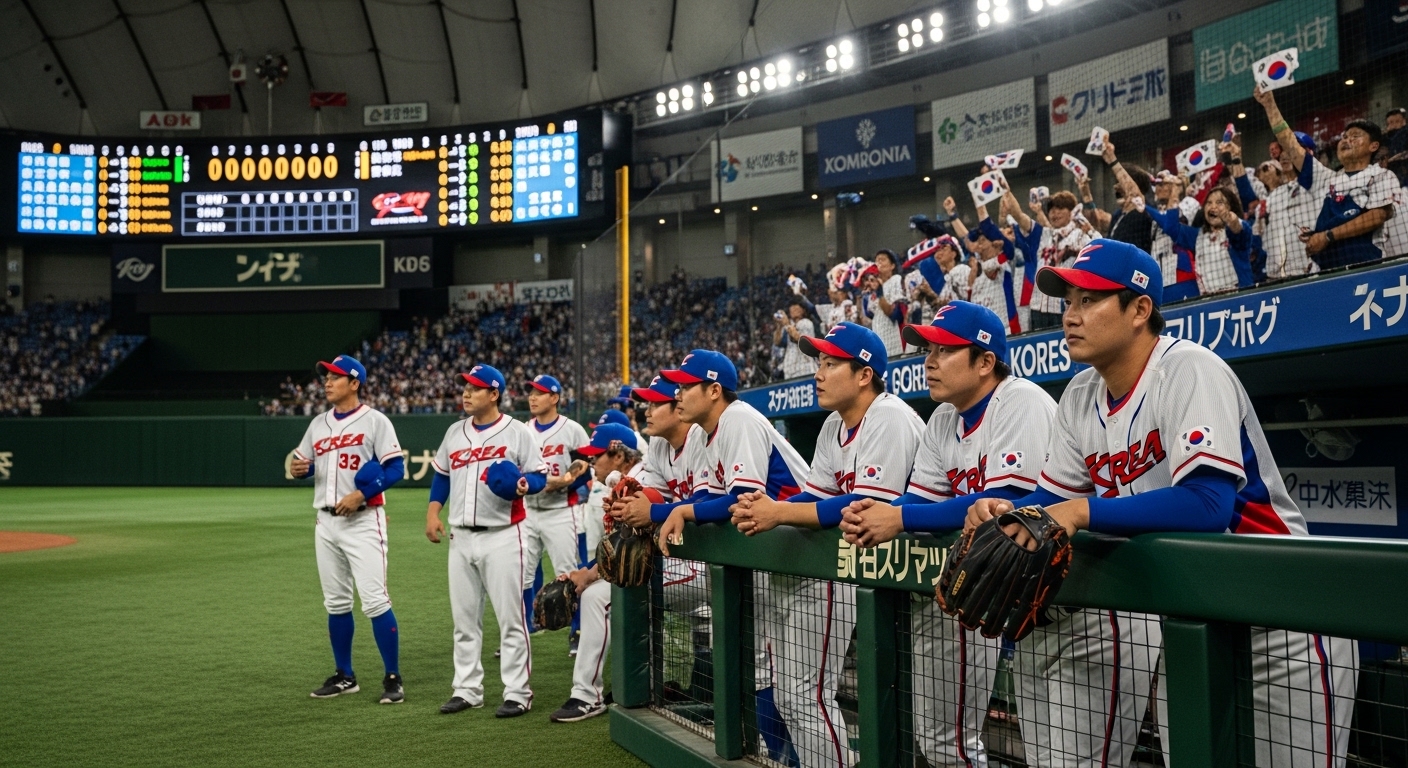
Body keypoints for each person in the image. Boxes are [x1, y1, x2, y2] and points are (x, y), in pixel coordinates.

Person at [970, 238, 1359, 767]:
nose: (1071, 315)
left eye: (1090, 299)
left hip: (1280, 620)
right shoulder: (1080, 396)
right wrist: (1005, 509)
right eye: (1069, 301)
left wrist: (1082, 512)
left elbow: (1208, 505)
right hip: (1189, 621)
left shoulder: (1189, 369)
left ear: (1139, 309)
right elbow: (1054, 499)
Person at [838, 301, 1056, 766]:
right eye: (926, 350)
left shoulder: (1020, 401)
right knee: (951, 744)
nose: (929, 361)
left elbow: (1008, 501)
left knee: (953, 745)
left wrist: (897, 520)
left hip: (1074, 597)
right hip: (1005, 595)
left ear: (984, 361)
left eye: (944, 350)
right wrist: (879, 511)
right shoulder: (943, 419)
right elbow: (921, 498)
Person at [729, 322, 924, 768]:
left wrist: (778, 512)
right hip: (884, 583)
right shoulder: (834, 424)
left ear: (863, 374)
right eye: (818, 361)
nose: (818, 372)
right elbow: (816, 496)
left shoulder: (888, 415)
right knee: (796, 695)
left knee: (811, 696)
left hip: (917, 585)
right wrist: (769, 504)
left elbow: (863, 504)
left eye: (831, 362)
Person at [654, 349, 810, 766]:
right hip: (773, 555)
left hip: (806, 555)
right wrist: (678, 509)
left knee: (797, 683)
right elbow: (708, 498)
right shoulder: (707, 433)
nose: (677, 393)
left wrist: (682, 510)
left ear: (715, 390)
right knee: (767, 669)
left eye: (686, 386)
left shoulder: (738, 418)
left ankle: (799, 757)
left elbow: (743, 499)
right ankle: (779, 756)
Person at [425, 363, 548, 718]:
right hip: (460, 537)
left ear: (494, 394)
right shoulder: (454, 433)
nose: (466, 393)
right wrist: (433, 512)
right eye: (464, 386)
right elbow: (442, 477)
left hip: (504, 536)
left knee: (511, 619)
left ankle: (518, 692)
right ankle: (467, 689)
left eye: (475, 388)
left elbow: (539, 475)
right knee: (464, 621)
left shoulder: (517, 432)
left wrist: (524, 485)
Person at [292, 355, 408, 705]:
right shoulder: (318, 424)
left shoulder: (375, 421)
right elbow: (302, 461)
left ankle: (393, 678)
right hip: (325, 522)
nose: (327, 381)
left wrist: (363, 494)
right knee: (336, 602)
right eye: (325, 377)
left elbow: (396, 469)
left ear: (355, 383)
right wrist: (301, 468)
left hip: (363, 521)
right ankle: (345, 675)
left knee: (374, 601)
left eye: (336, 377)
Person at [548, 422, 664, 723]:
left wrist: (588, 577)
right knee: (604, 592)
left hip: (681, 569)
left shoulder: (638, 483)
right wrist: (583, 572)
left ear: (618, 456)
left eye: (595, 456)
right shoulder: (626, 479)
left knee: (597, 598)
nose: (589, 463)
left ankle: (587, 696)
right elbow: (623, 552)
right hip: (658, 565)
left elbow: (631, 555)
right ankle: (640, 684)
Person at [1256, 83, 1398, 269]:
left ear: (1373, 146)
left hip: (1366, 267)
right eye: (1345, 136)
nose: (1347, 140)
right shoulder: (1326, 178)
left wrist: (1328, 235)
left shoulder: (1381, 175)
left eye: (1355, 136)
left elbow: (1377, 216)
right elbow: (1289, 143)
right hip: (1327, 273)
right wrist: (1269, 105)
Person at [519, 373, 591, 652]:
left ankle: (577, 630)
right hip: (528, 512)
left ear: (555, 398)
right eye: (531, 392)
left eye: (539, 392)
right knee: (522, 574)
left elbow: (584, 465)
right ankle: (525, 627)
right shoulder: (523, 429)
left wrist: (565, 479)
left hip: (561, 511)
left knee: (568, 573)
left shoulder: (571, 429)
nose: (532, 397)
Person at [1007, 186, 1089, 331]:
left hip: (1064, 308)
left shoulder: (1081, 236)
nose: (1054, 213)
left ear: (1072, 212)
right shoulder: (1043, 234)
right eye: (1051, 209)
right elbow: (1018, 216)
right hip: (1037, 307)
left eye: (1060, 208)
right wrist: (1006, 189)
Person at [775, 298, 819, 380]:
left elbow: (798, 339)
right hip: (790, 370)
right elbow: (777, 342)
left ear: (803, 310)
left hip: (804, 368)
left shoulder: (806, 323)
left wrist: (786, 324)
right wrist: (779, 326)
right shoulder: (789, 325)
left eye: (797, 306)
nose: (794, 308)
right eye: (792, 306)